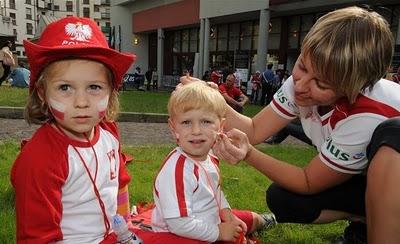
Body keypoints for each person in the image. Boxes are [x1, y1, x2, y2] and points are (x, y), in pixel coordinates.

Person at [182, 6, 400, 243]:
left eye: (321, 84)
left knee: (393, 133)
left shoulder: (368, 114)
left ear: (352, 89)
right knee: (283, 198)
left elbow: (307, 180)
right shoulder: (305, 81)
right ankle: (364, 219)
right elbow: (254, 129)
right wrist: (213, 100)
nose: (301, 85)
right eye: (303, 66)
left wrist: (249, 154)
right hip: (368, 176)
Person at [10, 16, 136, 243]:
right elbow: (36, 237)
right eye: (65, 87)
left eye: (94, 87)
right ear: (42, 93)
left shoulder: (109, 133)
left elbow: (119, 185)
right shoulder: (40, 159)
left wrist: (125, 229)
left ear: (111, 92)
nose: (81, 102)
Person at [151, 81, 275, 243]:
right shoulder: (177, 170)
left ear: (220, 126)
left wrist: (227, 214)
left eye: (206, 122)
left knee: (245, 222)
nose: (196, 131)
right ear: (173, 128)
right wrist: (219, 232)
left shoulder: (210, 156)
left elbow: (215, 191)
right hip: (177, 234)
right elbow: (177, 223)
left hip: (207, 220)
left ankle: (264, 220)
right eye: (186, 122)